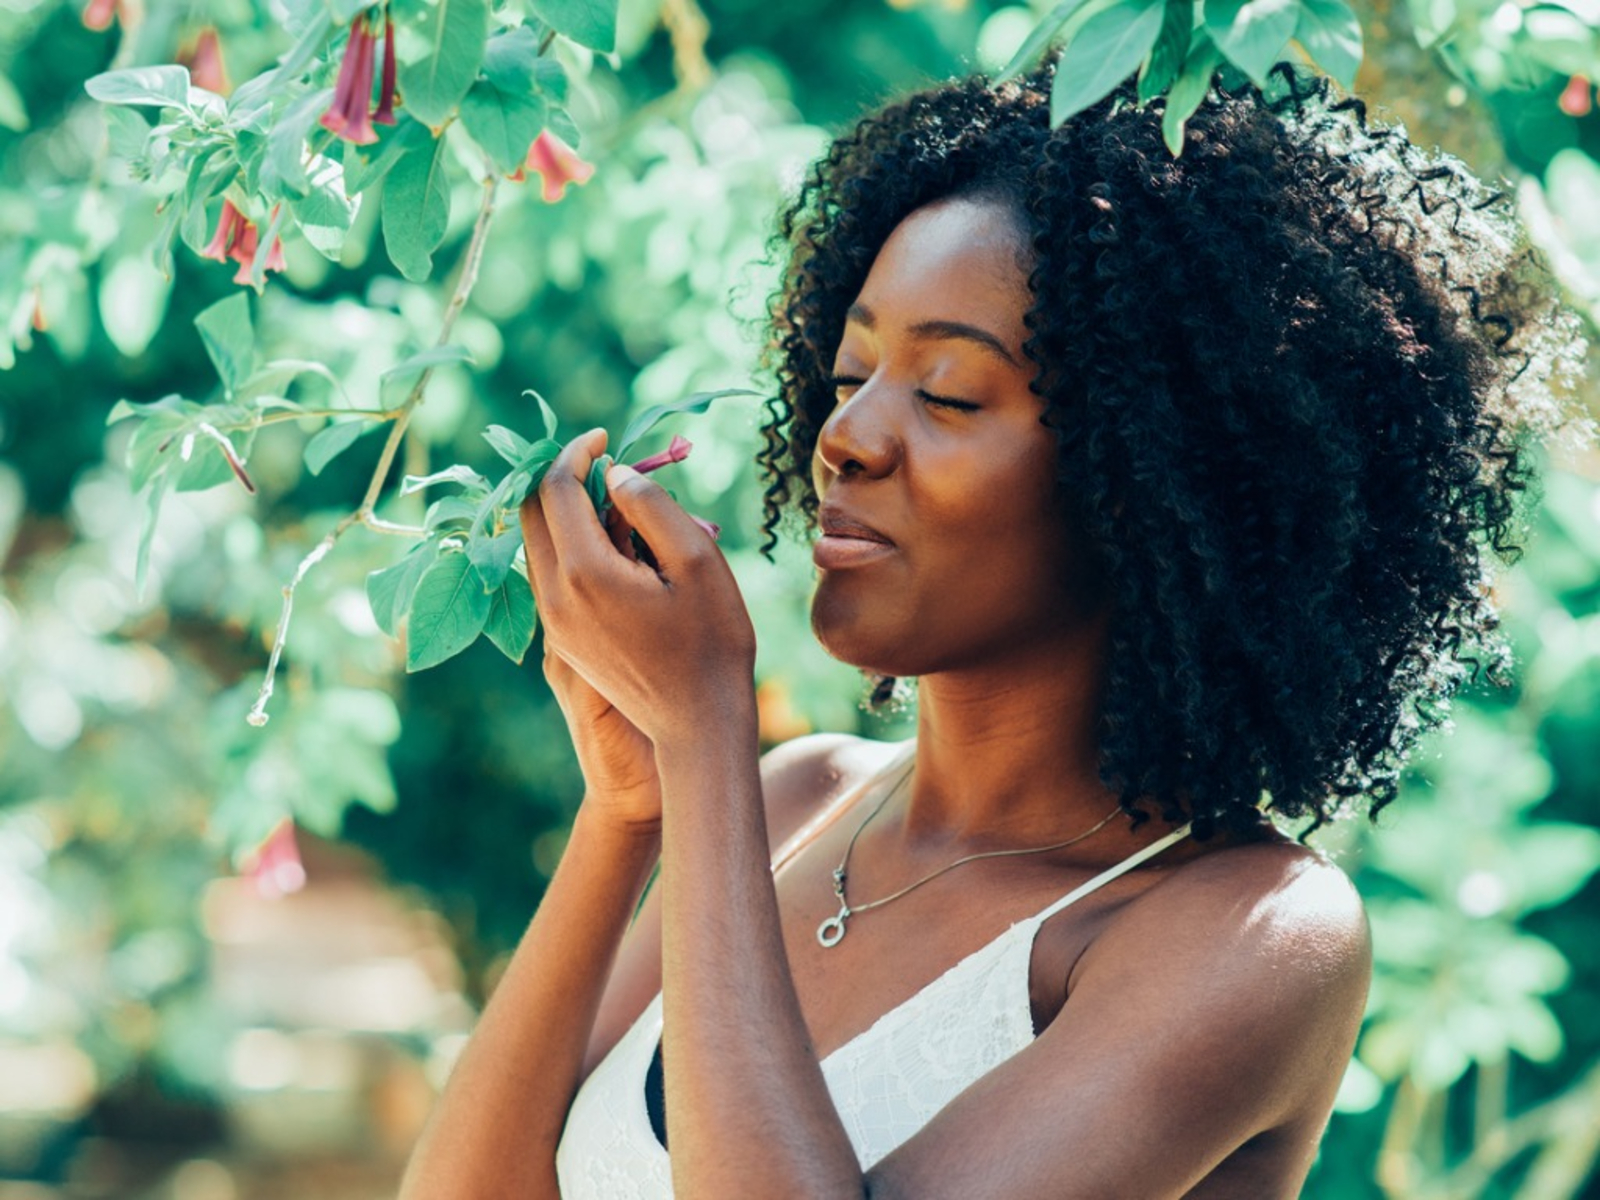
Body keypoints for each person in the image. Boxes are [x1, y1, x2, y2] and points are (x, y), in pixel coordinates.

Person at [398, 65, 1581, 1199]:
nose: (844, 437)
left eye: (948, 395)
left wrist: (703, 736)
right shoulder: (791, 803)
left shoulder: (1246, 933)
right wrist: (629, 810)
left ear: (1152, 480)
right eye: (850, 368)